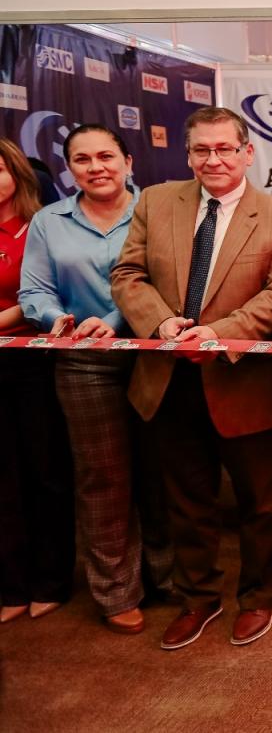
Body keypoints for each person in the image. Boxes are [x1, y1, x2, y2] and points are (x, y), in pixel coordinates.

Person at [111, 106, 272, 651]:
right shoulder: (155, 202)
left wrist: (216, 334)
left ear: (248, 153)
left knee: (258, 502)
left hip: (242, 382)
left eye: (225, 148)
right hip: (167, 379)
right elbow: (127, 274)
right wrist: (162, 323)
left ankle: (259, 596)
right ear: (188, 154)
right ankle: (198, 597)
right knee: (187, 501)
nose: (213, 159)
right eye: (202, 149)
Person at [18, 125, 170, 635]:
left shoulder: (158, 210)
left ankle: (167, 576)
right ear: (69, 169)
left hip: (154, 355)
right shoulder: (49, 221)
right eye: (82, 159)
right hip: (82, 361)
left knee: (161, 471)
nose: (96, 167)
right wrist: (54, 318)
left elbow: (165, 282)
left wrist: (116, 319)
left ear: (129, 162)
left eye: (106, 156)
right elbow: (34, 291)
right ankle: (116, 591)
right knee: (102, 478)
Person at [0, 139, 74, 625]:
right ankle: (11, 585)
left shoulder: (41, 226)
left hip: (31, 362)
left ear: (17, 173)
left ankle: (51, 579)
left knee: (44, 472)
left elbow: (42, 295)